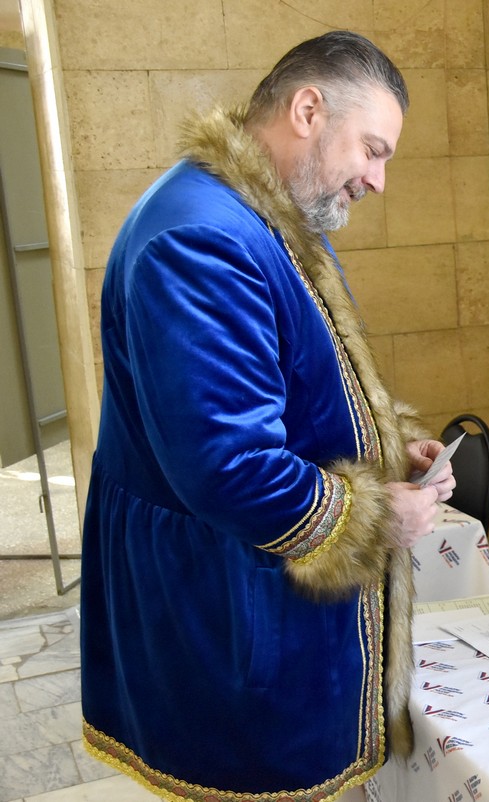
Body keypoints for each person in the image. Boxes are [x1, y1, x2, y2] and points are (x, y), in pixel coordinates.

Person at [79, 31, 454, 802]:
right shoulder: (204, 239)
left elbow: (298, 383)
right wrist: (379, 515)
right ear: (309, 109)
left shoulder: (258, 212)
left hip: (240, 592)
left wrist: (388, 447)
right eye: (374, 150)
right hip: (225, 609)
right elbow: (228, 466)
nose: (379, 181)